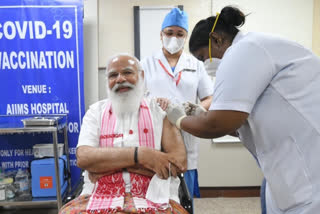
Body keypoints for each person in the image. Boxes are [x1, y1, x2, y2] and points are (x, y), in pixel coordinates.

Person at [165, 5, 320, 214]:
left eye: (203, 57)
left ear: (216, 39)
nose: (205, 64)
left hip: (306, 166)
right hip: (284, 163)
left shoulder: (244, 50)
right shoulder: (252, 50)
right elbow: (241, 126)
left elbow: (216, 125)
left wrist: (180, 119)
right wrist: (202, 115)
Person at [59, 54, 188, 214]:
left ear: (141, 76)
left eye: (127, 72)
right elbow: (84, 158)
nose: (120, 79)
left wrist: (107, 165)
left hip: (155, 195)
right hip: (99, 194)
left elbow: (179, 162)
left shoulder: (160, 112)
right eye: (113, 75)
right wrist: (143, 156)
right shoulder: (95, 113)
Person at [141, 7, 213, 202]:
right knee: (154, 195)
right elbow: (136, 99)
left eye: (179, 34)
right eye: (169, 32)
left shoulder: (196, 64)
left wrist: (196, 109)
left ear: (186, 36)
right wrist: (153, 102)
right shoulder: (146, 64)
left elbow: (209, 97)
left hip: (186, 131)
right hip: (154, 133)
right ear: (161, 35)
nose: (174, 37)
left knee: (184, 195)